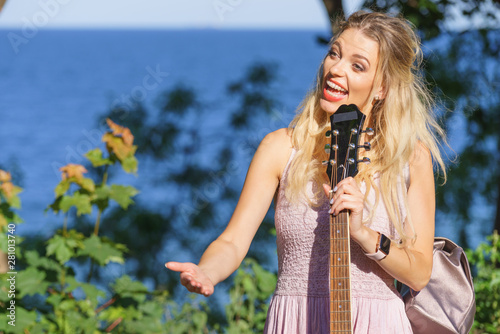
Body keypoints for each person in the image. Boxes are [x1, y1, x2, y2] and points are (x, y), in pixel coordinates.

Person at [166, 10, 447, 333]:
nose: (336, 69)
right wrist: (207, 272)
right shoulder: (280, 149)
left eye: (357, 65)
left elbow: (419, 272)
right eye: (334, 54)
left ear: (382, 87)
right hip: (296, 321)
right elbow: (232, 241)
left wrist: (364, 234)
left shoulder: (410, 159)